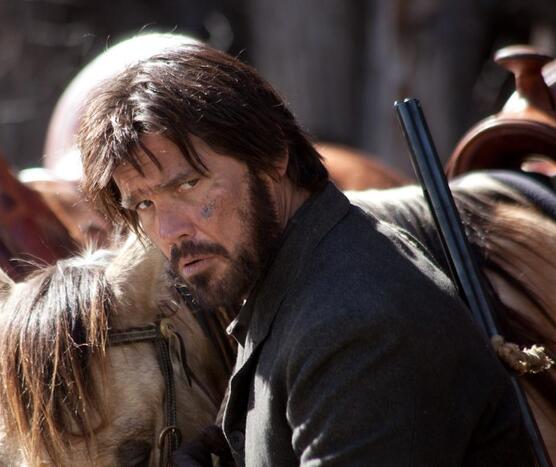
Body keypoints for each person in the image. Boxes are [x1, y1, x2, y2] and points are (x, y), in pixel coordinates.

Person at [77, 43, 533, 465]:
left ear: (271, 158)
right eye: (144, 204)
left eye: (188, 184)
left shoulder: (356, 325)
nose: (169, 230)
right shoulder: (293, 280)